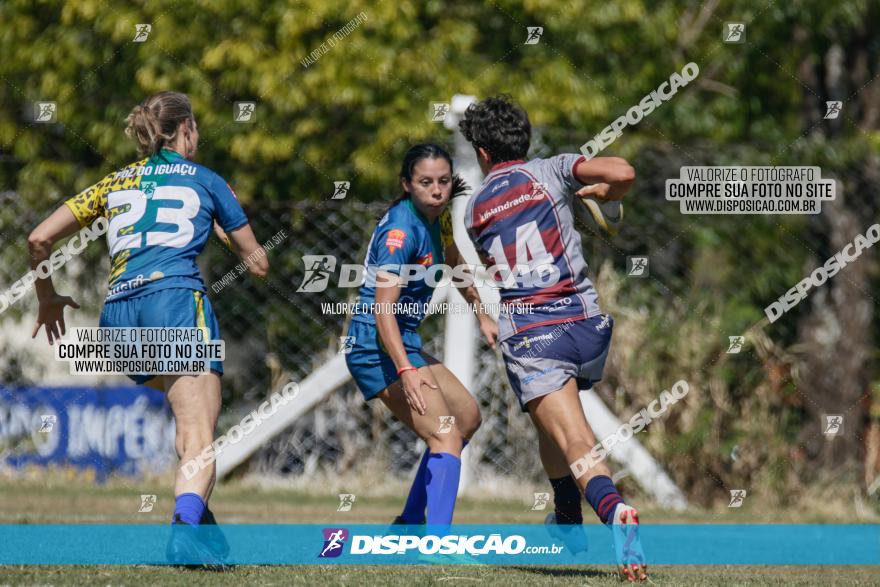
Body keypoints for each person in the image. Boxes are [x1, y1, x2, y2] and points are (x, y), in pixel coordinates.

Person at [28, 91, 268, 567]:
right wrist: (224, 233)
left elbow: (38, 238)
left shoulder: (113, 182)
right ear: (186, 131)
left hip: (118, 314)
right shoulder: (206, 180)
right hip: (174, 301)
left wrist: (47, 298)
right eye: (195, 128)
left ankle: (198, 521)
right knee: (200, 431)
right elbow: (258, 264)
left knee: (188, 423)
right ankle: (183, 533)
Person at [459, 95, 647, 582]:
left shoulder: (475, 210)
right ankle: (567, 522)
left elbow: (498, 268)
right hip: (585, 323)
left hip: (534, 335)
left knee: (575, 438)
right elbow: (623, 172)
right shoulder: (554, 170)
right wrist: (602, 195)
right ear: (525, 138)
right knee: (549, 425)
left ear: (481, 153)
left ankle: (616, 514)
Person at [345, 143, 496, 527]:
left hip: (402, 340)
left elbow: (454, 259)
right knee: (445, 433)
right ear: (406, 184)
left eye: (444, 181)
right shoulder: (401, 231)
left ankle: (410, 522)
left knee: (466, 418)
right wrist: (406, 371)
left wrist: (482, 314)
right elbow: (383, 311)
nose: (437, 190)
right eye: (426, 182)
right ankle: (436, 542)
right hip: (373, 346)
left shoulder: (439, 218)